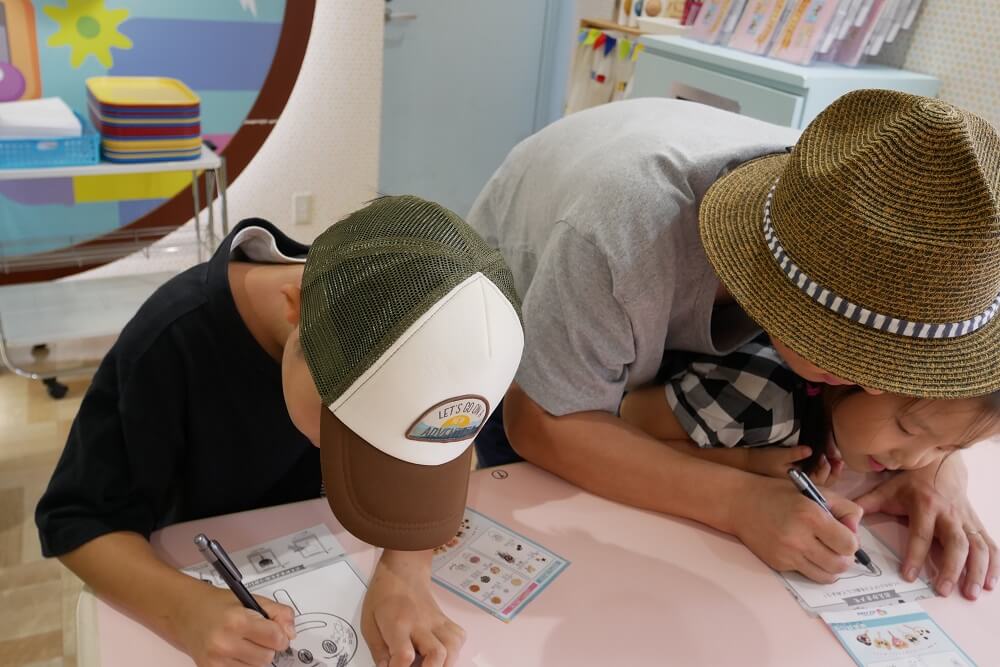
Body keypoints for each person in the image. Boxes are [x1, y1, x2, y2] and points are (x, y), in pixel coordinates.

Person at [467, 89, 1000, 600]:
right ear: (782, 287)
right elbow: (542, 422)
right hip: (529, 295)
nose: (879, 385)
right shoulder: (622, 236)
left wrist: (934, 468)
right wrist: (737, 502)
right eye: (862, 354)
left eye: (912, 368)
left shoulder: (898, 216)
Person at [35, 196, 524, 667]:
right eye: (352, 440)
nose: (381, 464)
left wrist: (405, 570)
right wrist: (184, 610)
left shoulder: (418, 312)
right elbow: (78, 520)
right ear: (297, 308)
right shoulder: (172, 343)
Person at [618, 336, 1000, 493]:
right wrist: (745, 462)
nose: (913, 460)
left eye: (946, 448)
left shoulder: (840, 416)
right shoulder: (759, 399)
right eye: (906, 428)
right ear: (866, 375)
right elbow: (629, 419)